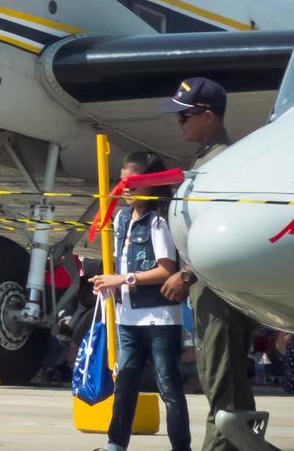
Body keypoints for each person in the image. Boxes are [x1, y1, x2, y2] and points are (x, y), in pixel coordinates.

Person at [157, 78, 257, 451]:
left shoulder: (224, 164)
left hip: (219, 295)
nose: (179, 123)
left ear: (209, 116)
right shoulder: (208, 160)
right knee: (224, 388)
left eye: (185, 116)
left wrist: (187, 274)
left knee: (223, 391)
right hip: (210, 293)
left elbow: (228, 232)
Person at [90, 150, 190, 451]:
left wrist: (122, 279)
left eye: (133, 183)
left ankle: (181, 448)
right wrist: (108, 282)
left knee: (168, 386)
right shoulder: (121, 218)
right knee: (125, 384)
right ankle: (115, 444)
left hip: (160, 317)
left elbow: (166, 269)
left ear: (150, 184)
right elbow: (123, 263)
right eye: (122, 183)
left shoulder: (159, 220)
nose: (125, 189)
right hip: (128, 316)